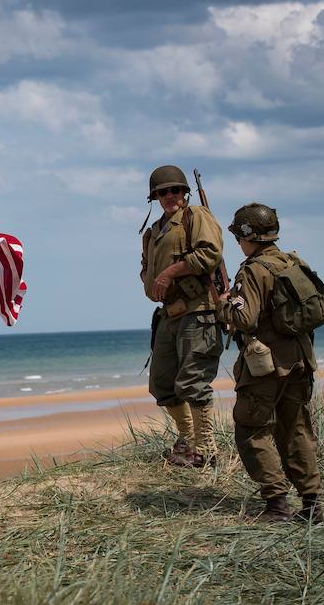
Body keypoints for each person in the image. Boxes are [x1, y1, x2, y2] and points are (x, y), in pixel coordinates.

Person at [215, 203, 323, 523]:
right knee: (296, 429)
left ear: (248, 235)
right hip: (301, 359)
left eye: (239, 236)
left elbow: (245, 319)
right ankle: (312, 505)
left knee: (251, 428)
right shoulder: (293, 261)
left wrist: (224, 307)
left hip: (266, 364)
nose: (238, 243)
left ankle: (276, 505)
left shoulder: (253, 269)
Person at [140, 165, 224, 467]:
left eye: (175, 190)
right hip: (169, 315)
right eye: (163, 192)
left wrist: (170, 273)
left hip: (197, 312)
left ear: (184, 192)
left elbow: (210, 253)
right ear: (155, 197)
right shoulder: (153, 232)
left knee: (193, 382)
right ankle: (189, 440)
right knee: (162, 384)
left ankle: (207, 447)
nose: (170, 196)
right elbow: (145, 266)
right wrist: (151, 279)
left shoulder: (195, 217)